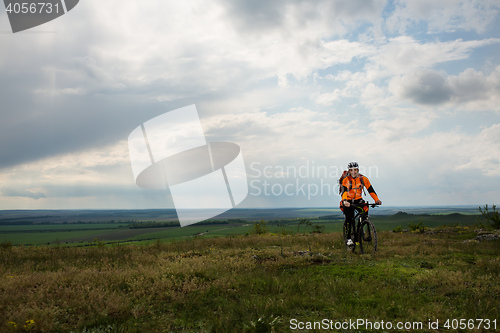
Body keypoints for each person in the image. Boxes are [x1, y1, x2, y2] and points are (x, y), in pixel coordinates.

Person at [340, 162, 382, 247]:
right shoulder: (346, 180)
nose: (353, 172)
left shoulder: (363, 179)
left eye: (355, 170)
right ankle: (348, 238)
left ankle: (360, 231)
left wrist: (377, 200)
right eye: (351, 170)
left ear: (358, 170)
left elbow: (371, 190)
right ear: (349, 171)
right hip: (348, 201)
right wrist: (344, 201)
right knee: (349, 217)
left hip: (358, 200)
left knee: (365, 211)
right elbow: (344, 192)